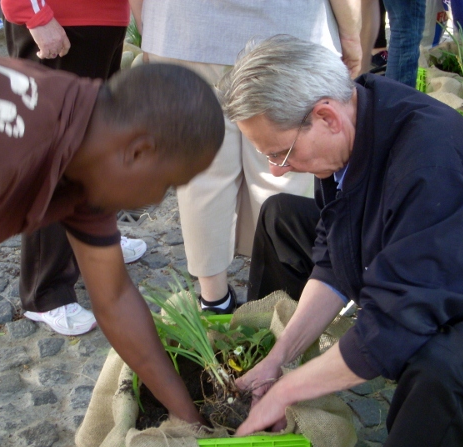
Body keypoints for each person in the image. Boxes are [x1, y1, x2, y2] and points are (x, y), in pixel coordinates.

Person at [217, 35, 463, 447]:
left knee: (440, 367)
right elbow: (336, 252)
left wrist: (289, 391)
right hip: (439, 255)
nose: (276, 169)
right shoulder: (357, 114)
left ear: (326, 116)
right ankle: (271, 377)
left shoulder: (424, 159)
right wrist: (280, 358)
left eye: (280, 153)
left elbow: (399, 323)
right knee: (281, 216)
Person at [0, 45, 224, 447]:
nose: (157, 200)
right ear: (138, 152)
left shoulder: (89, 148)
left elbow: (114, 297)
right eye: (167, 184)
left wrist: (192, 420)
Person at [132, 0, 361, 315]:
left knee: (201, 172)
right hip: (286, 27)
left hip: (182, 27)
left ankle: (214, 299)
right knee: (283, 168)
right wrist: (351, 35)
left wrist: (149, 23)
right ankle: (282, 303)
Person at [1, 0, 148, 335]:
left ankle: (95, 243)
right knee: (56, 156)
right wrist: (35, 15)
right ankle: (45, 291)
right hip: (60, 22)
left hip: (103, 21)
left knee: (96, 146)